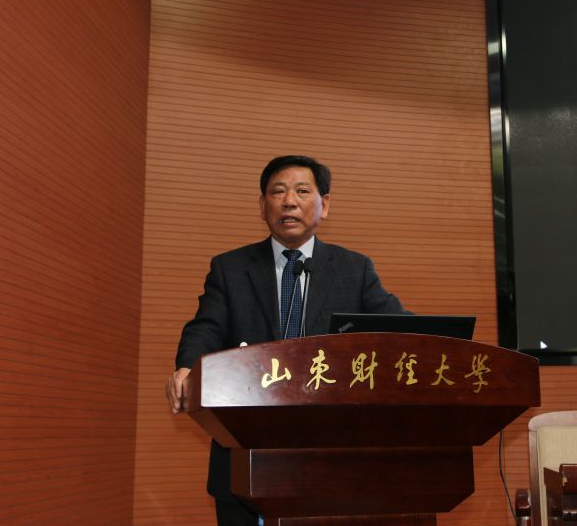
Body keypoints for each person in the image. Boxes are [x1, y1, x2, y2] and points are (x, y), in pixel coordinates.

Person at [165, 155, 407, 526]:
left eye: (302, 191)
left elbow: (397, 328)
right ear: (262, 206)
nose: (289, 201)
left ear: (324, 204)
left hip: (332, 457)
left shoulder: (354, 270)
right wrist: (186, 367)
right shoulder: (230, 268)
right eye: (278, 192)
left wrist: (444, 345)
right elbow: (206, 327)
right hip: (243, 454)